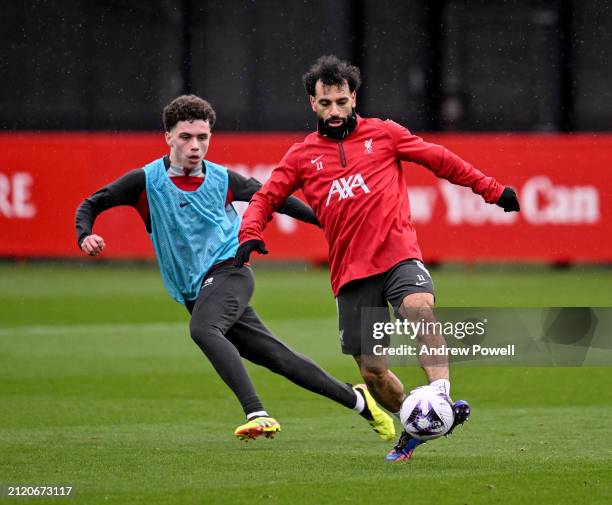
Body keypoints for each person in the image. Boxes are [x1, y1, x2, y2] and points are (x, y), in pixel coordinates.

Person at [235, 56, 520, 460]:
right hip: (351, 273)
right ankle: (415, 423)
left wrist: (491, 190)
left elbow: (441, 160)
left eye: (341, 101)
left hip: (398, 253)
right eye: (325, 103)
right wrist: (249, 234)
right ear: (311, 104)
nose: (334, 111)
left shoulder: (385, 134)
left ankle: (439, 397)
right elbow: (265, 197)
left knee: (419, 309)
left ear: (354, 97)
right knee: (372, 372)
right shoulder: (301, 157)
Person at [75, 94, 395, 443]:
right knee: (279, 358)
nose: (195, 146)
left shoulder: (223, 179)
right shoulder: (145, 181)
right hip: (197, 290)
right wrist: (85, 235)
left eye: (203, 137)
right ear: (168, 137)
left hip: (231, 271)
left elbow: (276, 199)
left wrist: (329, 221)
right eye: (186, 137)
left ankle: (256, 412)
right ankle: (359, 401)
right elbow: (91, 204)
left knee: (203, 329)